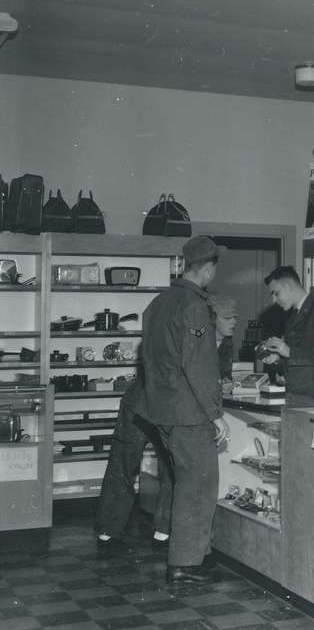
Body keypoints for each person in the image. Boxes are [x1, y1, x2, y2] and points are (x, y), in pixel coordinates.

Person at [130, 235, 229, 586]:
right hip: (188, 413)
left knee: (185, 481)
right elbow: (199, 366)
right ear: (208, 268)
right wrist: (216, 412)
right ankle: (186, 563)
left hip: (161, 411)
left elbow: (154, 360)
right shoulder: (194, 306)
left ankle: (195, 554)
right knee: (199, 485)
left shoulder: (158, 303)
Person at [93, 373, 173, 554]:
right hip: (161, 401)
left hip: (142, 400)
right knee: (170, 468)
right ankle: (163, 533)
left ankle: (108, 534)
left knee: (123, 466)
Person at [260, 265, 314, 398]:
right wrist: (278, 358)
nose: (274, 300)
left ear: (289, 286)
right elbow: (300, 357)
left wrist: (289, 352)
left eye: (276, 293)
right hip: (296, 394)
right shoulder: (293, 316)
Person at [207, 294, 238, 381]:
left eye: (235, 317)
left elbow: (225, 375)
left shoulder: (227, 341)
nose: (234, 322)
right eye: (227, 318)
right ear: (212, 319)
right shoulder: (201, 343)